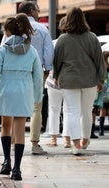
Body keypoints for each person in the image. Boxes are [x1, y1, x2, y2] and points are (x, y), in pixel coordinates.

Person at [0, 14, 43, 181]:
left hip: (6, 90)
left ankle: (6, 161)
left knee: (5, 126)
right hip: (24, 92)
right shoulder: (31, 51)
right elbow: (38, 77)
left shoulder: (3, 49)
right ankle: (17, 169)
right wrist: (37, 96)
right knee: (20, 130)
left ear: (8, 31)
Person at [53, 7, 106, 155]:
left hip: (69, 79)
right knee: (87, 112)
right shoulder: (92, 37)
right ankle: (85, 140)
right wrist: (101, 79)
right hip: (89, 79)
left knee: (73, 112)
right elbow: (99, 60)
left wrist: (56, 76)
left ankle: (75, 144)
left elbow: (57, 61)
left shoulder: (63, 39)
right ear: (83, 19)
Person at [18, 1, 54, 155]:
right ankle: (35, 143)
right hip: (36, 71)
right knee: (36, 108)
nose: (39, 12)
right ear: (31, 11)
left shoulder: (13, 27)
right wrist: (47, 69)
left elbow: (2, 48)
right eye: (38, 10)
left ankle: (14, 142)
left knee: (16, 108)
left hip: (16, 72)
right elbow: (48, 53)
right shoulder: (41, 29)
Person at [46, 16, 71, 148]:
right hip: (69, 81)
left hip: (53, 81)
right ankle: (67, 140)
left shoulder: (54, 42)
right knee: (68, 110)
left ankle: (54, 139)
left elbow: (49, 61)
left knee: (53, 109)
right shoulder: (74, 43)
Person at [97, 51, 109, 136]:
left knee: (103, 111)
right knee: (104, 110)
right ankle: (101, 130)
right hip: (106, 91)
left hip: (103, 93)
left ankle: (101, 131)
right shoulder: (106, 67)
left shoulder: (101, 67)